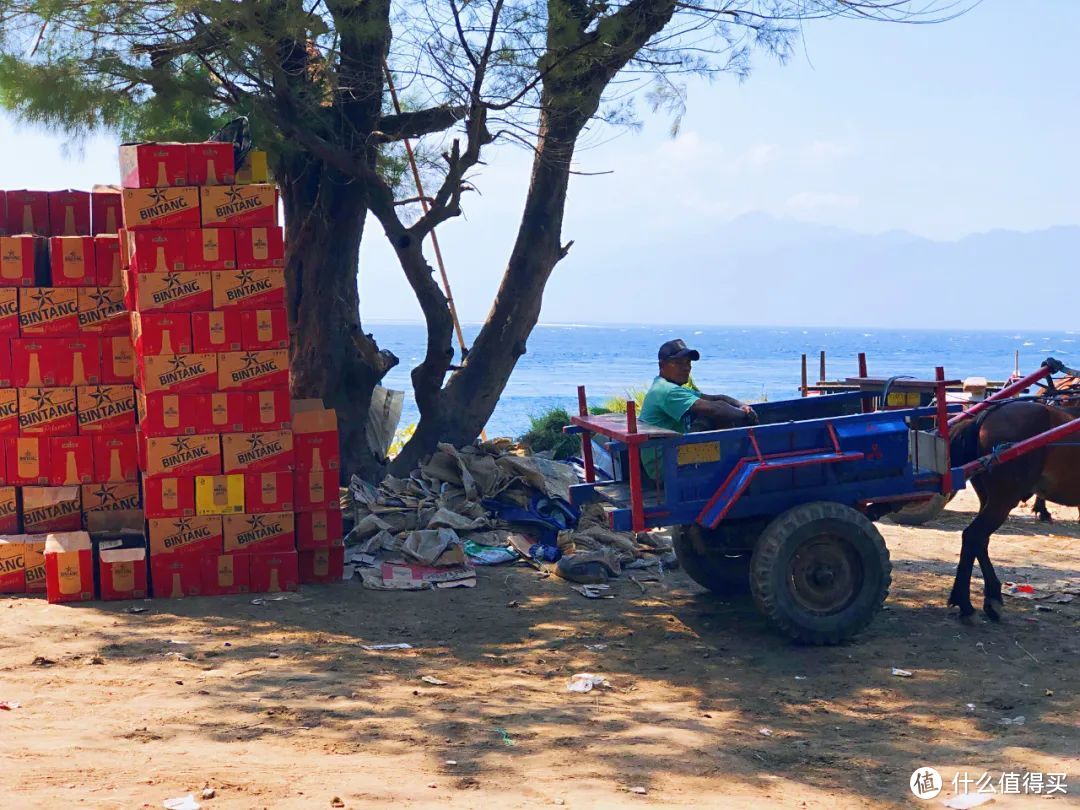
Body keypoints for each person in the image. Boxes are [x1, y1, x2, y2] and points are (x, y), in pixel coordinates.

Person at [639, 339, 757, 479]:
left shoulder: (666, 386)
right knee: (712, 417)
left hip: (668, 455)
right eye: (678, 363)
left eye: (688, 362)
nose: (686, 367)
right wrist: (747, 417)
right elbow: (716, 408)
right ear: (662, 365)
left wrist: (741, 406)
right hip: (663, 465)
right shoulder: (667, 391)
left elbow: (716, 398)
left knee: (711, 418)